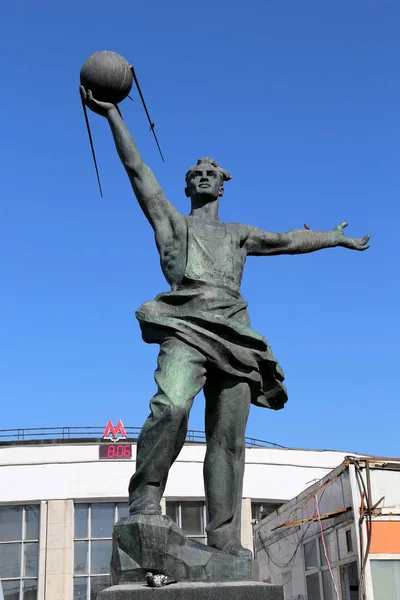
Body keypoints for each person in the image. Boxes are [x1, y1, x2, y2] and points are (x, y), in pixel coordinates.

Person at [80, 87, 370, 557]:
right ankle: (147, 498)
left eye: (211, 173)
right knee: (170, 407)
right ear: (188, 186)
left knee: (228, 441)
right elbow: (138, 172)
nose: (202, 176)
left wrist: (330, 239)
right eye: (195, 173)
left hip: (235, 334)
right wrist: (113, 113)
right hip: (186, 326)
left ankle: (223, 537)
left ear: (222, 185)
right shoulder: (172, 225)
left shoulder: (238, 235)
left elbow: (285, 240)